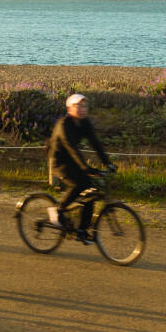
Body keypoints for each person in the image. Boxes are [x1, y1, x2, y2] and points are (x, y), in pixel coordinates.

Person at [46, 93, 115, 244]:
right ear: (69, 108)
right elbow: (71, 148)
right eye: (78, 106)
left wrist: (107, 163)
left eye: (84, 106)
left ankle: (82, 231)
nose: (82, 109)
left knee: (89, 191)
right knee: (79, 184)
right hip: (59, 162)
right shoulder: (63, 124)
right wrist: (87, 168)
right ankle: (57, 210)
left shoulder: (85, 123)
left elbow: (95, 143)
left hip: (73, 161)